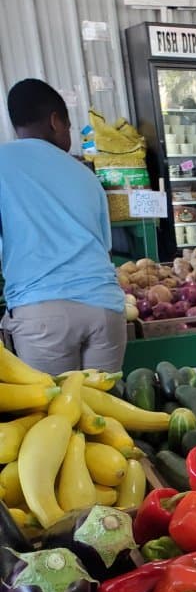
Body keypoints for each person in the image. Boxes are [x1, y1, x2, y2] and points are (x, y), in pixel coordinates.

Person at [0, 79, 126, 374]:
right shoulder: (85, 175)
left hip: (42, 314)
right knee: (104, 413)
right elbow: (103, 249)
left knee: (54, 413)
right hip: (105, 310)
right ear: (56, 121)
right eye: (69, 128)